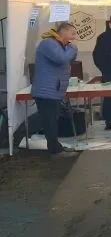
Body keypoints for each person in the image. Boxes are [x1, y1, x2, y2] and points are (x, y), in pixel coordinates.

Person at [31, 22, 78, 157]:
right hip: (46, 90)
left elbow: (71, 58)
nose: (74, 37)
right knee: (50, 120)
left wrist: (70, 48)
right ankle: (54, 150)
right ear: (63, 31)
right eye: (72, 33)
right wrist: (72, 48)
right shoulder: (49, 43)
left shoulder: (61, 45)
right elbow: (61, 58)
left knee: (53, 119)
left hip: (54, 90)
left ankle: (55, 146)